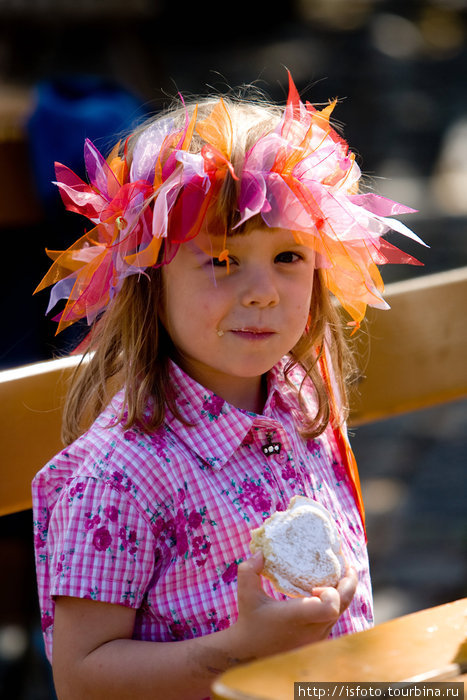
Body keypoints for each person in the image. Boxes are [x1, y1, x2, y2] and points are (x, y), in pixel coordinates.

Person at [32, 73, 424, 700]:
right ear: (148, 281)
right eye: (221, 260)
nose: (263, 290)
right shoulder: (119, 475)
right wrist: (240, 651)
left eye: (289, 258)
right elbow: (83, 678)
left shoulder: (301, 399)